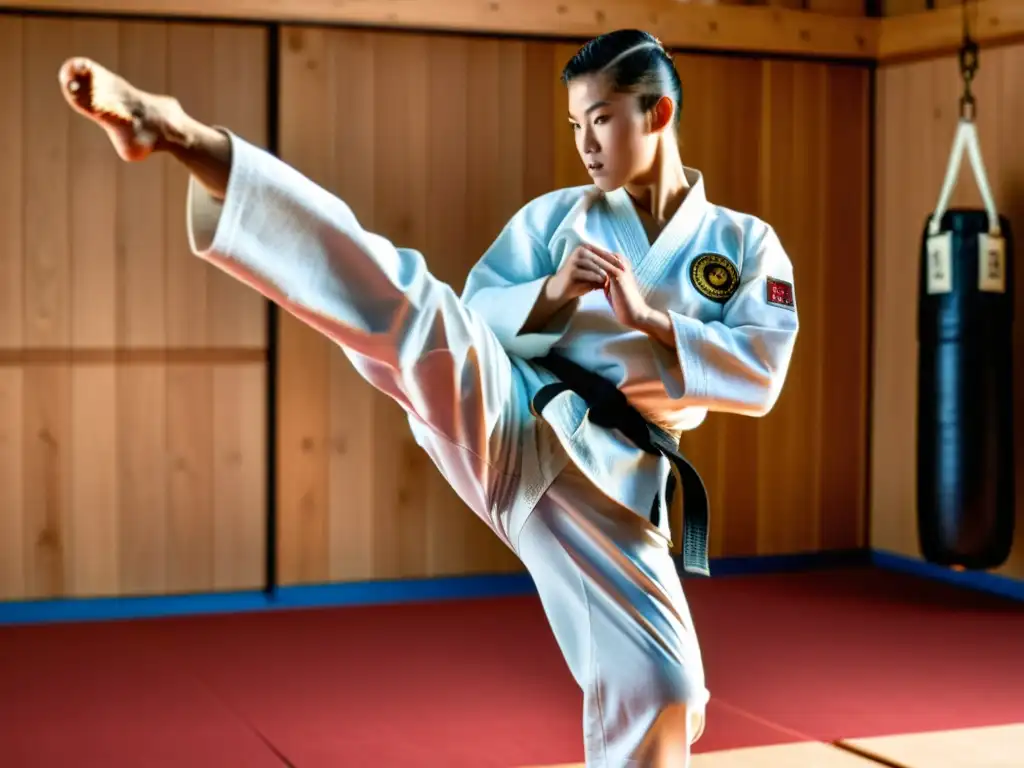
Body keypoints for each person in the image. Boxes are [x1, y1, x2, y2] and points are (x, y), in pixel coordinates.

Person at [58, 28, 798, 767]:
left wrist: (649, 319)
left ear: (658, 114)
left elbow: (762, 373)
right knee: (410, 308)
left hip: (620, 484)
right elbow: (478, 311)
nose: (586, 145)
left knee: (667, 688)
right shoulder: (555, 220)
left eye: (601, 118)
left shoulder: (743, 244)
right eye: (576, 125)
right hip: (516, 411)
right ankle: (185, 137)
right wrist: (551, 290)